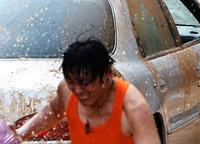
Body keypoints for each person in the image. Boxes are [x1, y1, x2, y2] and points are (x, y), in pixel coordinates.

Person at [15, 38, 160, 144]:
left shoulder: (132, 108)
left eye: (85, 83)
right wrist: (19, 134)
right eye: (72, 82)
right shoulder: (67, 91)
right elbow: (53, 111)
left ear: (106, 75)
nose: (78, 90)